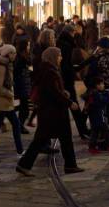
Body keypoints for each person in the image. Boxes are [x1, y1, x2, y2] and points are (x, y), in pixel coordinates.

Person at [16, 47, 84, 177]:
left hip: (50, 111)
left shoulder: (47, 69)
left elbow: (53, 90)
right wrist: (69, 102)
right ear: (53, 57)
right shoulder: (49, 71)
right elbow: (53, 92)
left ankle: (70, 165)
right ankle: (24, 164)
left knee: (61, 139)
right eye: (59, 56)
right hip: (53, 112)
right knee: (42, 139)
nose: (61, 58)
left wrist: (64, 94)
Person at [57, 25, 89, 139]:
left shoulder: (61, 42)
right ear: (71, 33)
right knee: (72, 103)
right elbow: (66, 64)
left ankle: (81, 130)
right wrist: (74, 70)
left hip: (63, 77)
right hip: (66, 78)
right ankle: (82, 130)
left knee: (68, 104)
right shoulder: (67, 45)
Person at [85, 77, 109, 153]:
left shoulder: (103, 92)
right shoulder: (94, 93)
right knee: (98, 132)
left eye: (102, 84)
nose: (101, 85)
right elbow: (102, 100)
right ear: (95, 85)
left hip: (101, 116)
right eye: (99, 84)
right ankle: (95, 146)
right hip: (96, 117)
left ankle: (102, 145)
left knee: (100, 131)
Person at [13, 39, 32, 134]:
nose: (29, 47)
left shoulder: (24, 57)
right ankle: (19, 126)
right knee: (24, 109)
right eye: (28, 45)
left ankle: (19, 126)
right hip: (21, 86)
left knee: (23, 108)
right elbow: (17, 72)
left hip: (24, 85)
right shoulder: (20, 58)